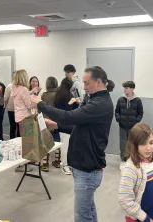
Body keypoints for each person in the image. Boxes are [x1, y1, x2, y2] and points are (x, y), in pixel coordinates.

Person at [32, 66, 115, 222]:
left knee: (82, 216)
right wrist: (57, 126)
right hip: (84, 167)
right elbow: (79, 127)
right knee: (88, 210)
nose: (83, 87)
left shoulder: (100, 104)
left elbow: (68, 116)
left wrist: (40, 104)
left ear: (98, 82)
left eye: (86, 83)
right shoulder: (94, 100)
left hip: (88, 170)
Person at [118, 123, 153, 222]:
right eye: (143, 144)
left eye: (151, 142)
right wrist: (144, 218)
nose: (148, 148)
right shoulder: (130, 168)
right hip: (138, 219)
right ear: (134, 144)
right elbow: (124, 199)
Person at [51, 77, 79, 174]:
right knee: (65, 145)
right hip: (65, 124)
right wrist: (72, 102)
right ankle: (65, 165)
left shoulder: (59, 94)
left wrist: (75, 103)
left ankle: (66, 164)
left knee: (66, 145)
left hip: (63, 123)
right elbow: (65, 110)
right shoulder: (64, 95)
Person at [115, 81, 144, 163]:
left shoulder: (137, 100)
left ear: (132, 89)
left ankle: (132, 160)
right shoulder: (120, 99)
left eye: (127, 88)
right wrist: (118, 119)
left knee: (132, 144)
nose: (125, 90)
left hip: (133, 127)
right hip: (123, 126)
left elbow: (140, 113)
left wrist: (136, 121)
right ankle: (124, 161)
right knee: (123, 145)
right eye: (124, 88)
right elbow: (117, 111)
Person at [40, 76, 60, 172]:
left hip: (45, 122)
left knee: (45, 143)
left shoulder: (44, 95)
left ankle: (45, 163)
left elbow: (40, 108)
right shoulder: (58, 95)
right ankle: (57, 161)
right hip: (55, 121)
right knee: (57, 141)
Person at [4, 71, 20, 139]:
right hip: (11, 110)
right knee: (13, 126)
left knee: (20, 127)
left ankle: (20, 141)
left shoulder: (22, 86)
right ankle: (12, 141)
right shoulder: (9, 86)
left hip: (20, 110)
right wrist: (5, 107)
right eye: (14, 75)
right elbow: (5, 98)